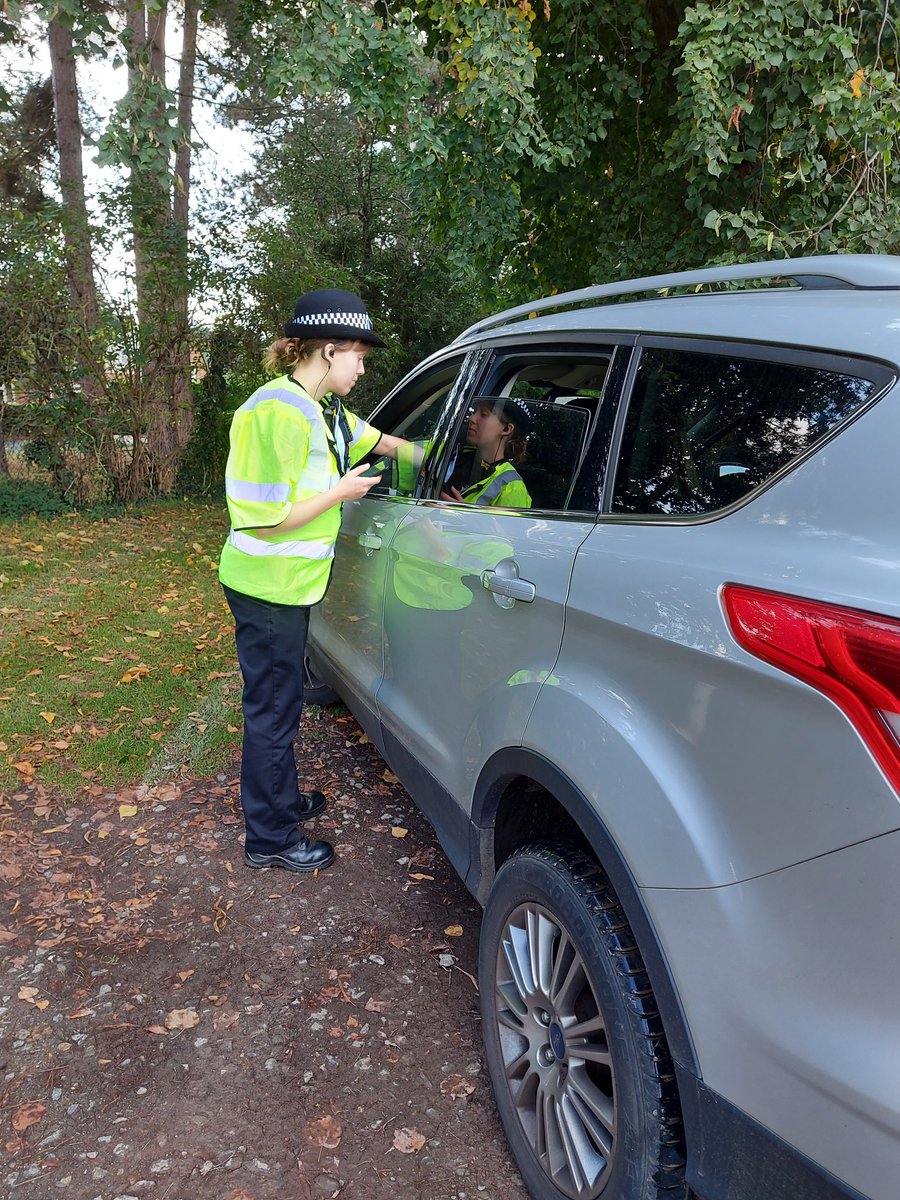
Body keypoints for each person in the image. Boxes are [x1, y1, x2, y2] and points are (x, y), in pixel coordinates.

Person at [219, 288, 406, 874]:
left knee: (284, 702)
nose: (362, 366)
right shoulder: (274, 413)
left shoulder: (322, 411)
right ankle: (269, 838)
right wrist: (340, 493)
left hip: (289, 587)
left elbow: (385, 443)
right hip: (265, 585)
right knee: (272, 710)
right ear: (329, 351)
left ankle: (283, 802)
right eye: (358, 356)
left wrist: (444, 454)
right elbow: (263, 520)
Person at [441, 397, 532, 508]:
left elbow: (511, 526)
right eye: (474, 412)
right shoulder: (452, 453)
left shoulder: (513, 487)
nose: (472, 418)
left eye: (484, 414)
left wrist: (465, 516)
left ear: (506, 429)